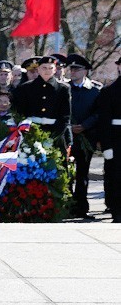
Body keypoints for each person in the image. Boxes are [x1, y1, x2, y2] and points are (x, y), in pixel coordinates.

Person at [66, 53, 100, 219]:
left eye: (77, 69)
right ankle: (66, 205)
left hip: (87, 137)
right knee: (66, 172)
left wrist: (84, 125)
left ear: (85, 71)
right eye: (71, 69)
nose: (73, 72)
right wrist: (70, 127)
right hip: (68, 137)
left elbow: (99, 113)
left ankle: (81, 207)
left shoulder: (94, 91)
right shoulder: (65, 88)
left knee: (82, 174)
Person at [12, 55, 71, 148]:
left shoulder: (63, 88)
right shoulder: (25, 88)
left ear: (55, 70)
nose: (47, 71)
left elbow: (65, 116)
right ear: (38, 69)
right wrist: (27, 133)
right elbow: (20, 112)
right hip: (31, 132)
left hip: (55, 134)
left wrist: (53, 137)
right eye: (44, 68)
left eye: (51, 68)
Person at [98, 55, 121, 222]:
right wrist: (106, 146)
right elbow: (104, 122)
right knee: (116, 177)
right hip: (117, 140)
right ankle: (117, 211)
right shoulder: (109, 91)